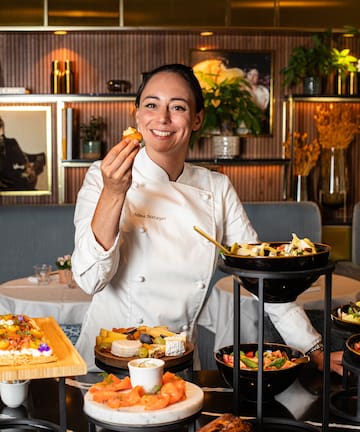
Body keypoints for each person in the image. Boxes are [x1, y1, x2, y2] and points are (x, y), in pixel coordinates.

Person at [72, 63, 343, 374]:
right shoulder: (102, 176)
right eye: (151, 105)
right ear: (137, 115)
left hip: (178, 366)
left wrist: (313, 348)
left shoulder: (215, 188)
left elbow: (261, 274)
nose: (162, 118)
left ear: (197, 119)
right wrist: (114, 192)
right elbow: (90, 279)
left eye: (177, 107)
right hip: (109, 362)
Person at [0, 116, 45, 191]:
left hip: (11, 181)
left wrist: (29, 168)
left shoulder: (10, 143)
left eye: (1, 124)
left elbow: (23, 160)